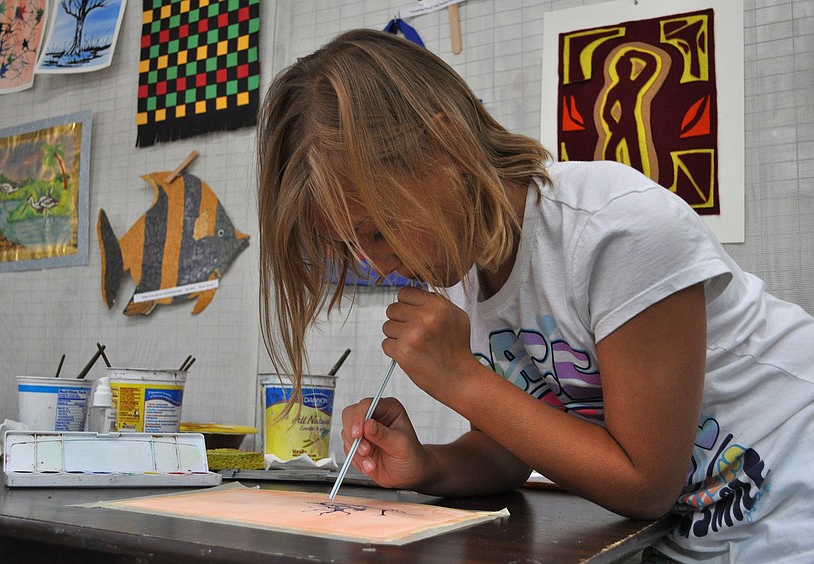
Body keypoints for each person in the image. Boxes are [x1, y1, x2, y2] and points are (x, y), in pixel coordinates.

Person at [257, 28, 814, 563]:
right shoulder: (467, 270)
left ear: (446, 144)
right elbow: (514, 447)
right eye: (355, 246)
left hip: (791, 504)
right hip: (689, 534)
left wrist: (461, 379)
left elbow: (645, 484)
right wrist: (426, 465)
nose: (379, 264)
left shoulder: (615, 231)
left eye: (379, 228)